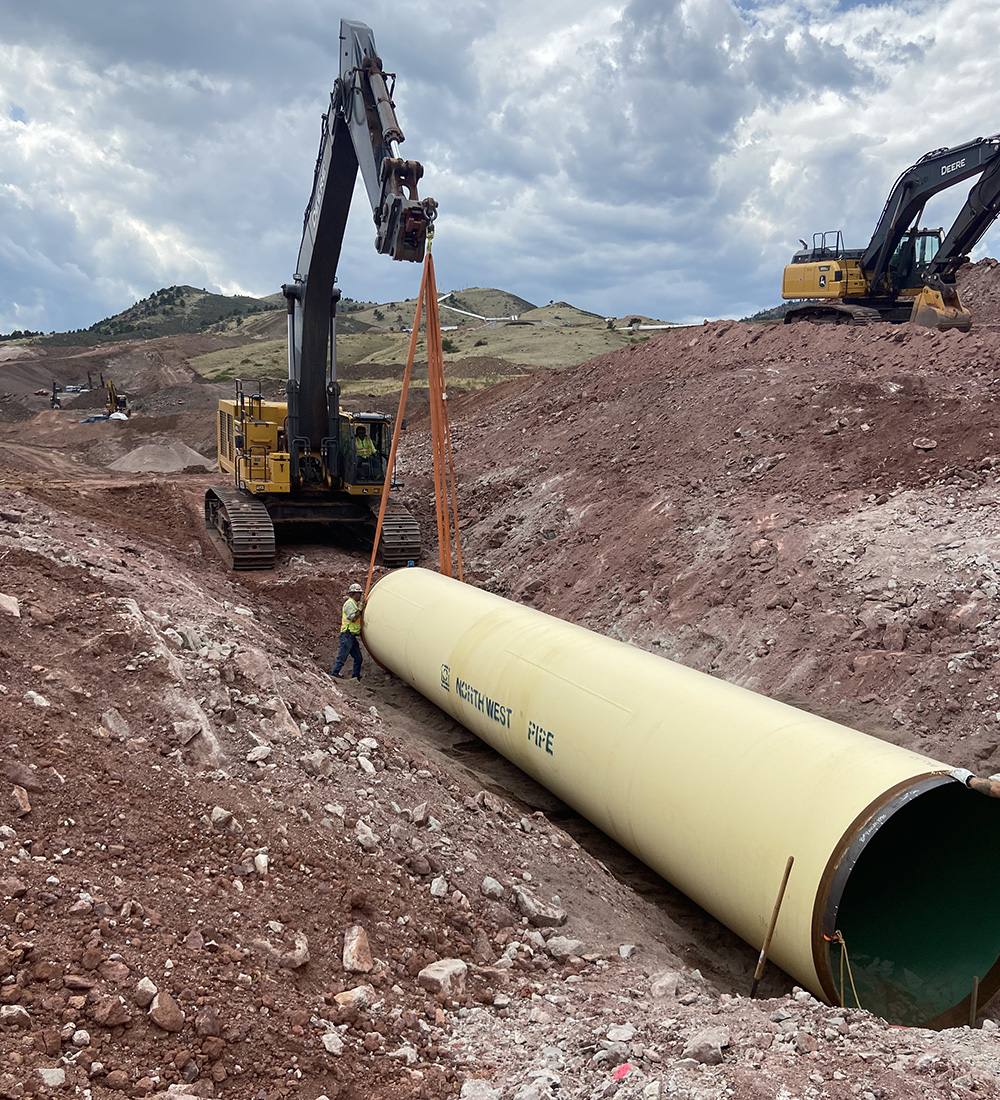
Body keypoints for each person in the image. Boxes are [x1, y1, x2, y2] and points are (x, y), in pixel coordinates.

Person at [331, 582, 365, 680]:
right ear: (355, 594)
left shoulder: (354, 604)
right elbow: (353, 617)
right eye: (360, 593)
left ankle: (356, 678)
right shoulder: (350, 604)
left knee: (358, 659)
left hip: (352, 636)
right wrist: (359, 609)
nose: (361, 595)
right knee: (342, 658)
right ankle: (333, 676)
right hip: (347, 635)